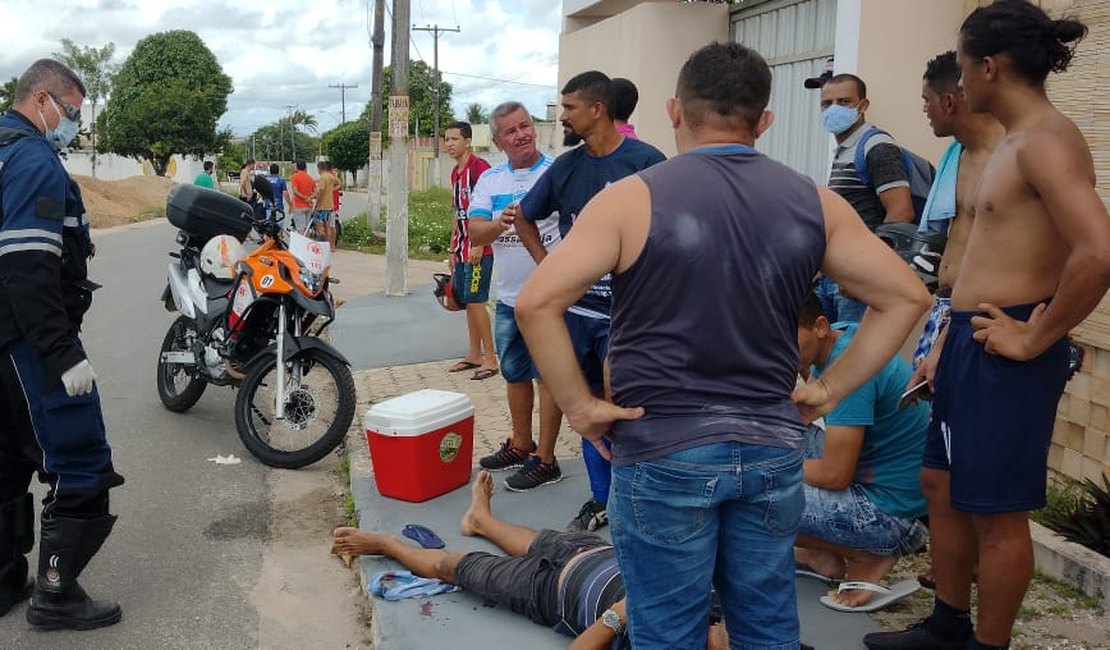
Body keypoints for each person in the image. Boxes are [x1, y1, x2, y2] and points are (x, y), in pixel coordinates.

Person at [512, 41, 930, 649]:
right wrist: (829, 390)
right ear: (763, 120)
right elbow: (907, 298)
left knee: (667, 629)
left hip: (661, 449)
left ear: (675, 110)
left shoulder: (632, 198)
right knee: (765, 624)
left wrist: (580, 407)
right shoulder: (814, 202)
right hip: (770, 451)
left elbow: (535, 303)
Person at [865, 3, 1110, 649]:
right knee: (941, 484)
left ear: (990, 67)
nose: (959, 83)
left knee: (998, 516)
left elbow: (1098, 252)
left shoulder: (1048, 142)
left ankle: (987, 646)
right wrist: (946, 337)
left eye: (966, 67)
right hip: (971, 336)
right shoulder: (1007, 145)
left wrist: (1035, 336)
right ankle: (948, 625)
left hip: (1013, 343)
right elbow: (977, 256)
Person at [505, 70, 666, 531]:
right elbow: (525, 219)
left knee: (629, 408)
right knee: (589, 409)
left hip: (631, 317)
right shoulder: (567, 167)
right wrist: (551, 267)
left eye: (570, 107)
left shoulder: (646, 162)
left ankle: (634, 499)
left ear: (597, 109)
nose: (564, 116)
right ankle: (602, 500)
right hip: (578, 316)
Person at [331, 471, 737, 650]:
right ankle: (482, 520)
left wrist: (619, 614)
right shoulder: (729, 615)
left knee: (455, 568)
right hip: (596, 553)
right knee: (538, 540)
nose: (729, 636)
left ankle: (388, 545)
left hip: (547, 590)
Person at [0, 58, 125, 630]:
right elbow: (26, 266)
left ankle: (5, 579)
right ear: (44, 98)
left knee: (5, 459)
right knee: (80, 459)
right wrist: (63, 353)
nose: (72, 122)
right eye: (72, 111)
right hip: (30, 340)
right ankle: (55, 594)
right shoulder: (32, 159)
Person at [793, 292, 929, 610]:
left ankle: (863, 554)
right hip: (892, 493)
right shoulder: (843, 338)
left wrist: (764, 466)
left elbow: (834, 474)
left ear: (821, 326)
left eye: (788, 340)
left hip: (893, 519)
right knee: (770, 439)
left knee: (752, 490)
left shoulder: (847, 369)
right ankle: (820, 551)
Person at [466, 102, 564, 491]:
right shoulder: (490, 181)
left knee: (549, 377)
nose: (521, 134)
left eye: (525, 126)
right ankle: (521, 445)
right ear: (497, 140)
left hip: (552, 300)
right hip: (509, 299)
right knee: (515, 374)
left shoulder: (556, 172)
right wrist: (500, 222)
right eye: (511, 131)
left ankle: (547, 459)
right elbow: (475, 233)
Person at [910, 51, 1003, 371]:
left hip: (980, 318)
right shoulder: (959, 154)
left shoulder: (1008, 158)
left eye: (926, 99)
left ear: (948, 102)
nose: (924, 109)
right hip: (947, 306)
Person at [813, 71, 915, 323]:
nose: (833, 109)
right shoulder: (845, 149)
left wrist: (867, 273)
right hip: (833, 277)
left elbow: (901, 212)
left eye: (844, 102)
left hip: (855, 281)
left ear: (863, 105)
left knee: (853, 353)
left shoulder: (876, 146)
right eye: (827, 104)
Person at [443, 121, 497, 381]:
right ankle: (474, 354)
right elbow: (458, 212)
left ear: (468, 141)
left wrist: (480, 243)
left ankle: (491, 357)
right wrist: (454, 247)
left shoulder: (480, 168)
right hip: (462, 247)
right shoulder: (455, 173)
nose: (449, 144)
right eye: (447, 139)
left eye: (454, 139)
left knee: (477, 299)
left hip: (479, 248)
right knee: (468, 301)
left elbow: (489, 209)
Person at [312, 159, 340, 249]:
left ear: (319, 168)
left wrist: (315, 202)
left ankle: (322, 247)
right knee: (328, 227)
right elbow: (339, 183)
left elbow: (320, 192)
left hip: (322, 207)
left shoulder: (323, 178)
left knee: (320, 228)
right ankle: (328, 245)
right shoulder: (331, 177)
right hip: (329, 206)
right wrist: (332, 190)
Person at [288, 159, 316, 234]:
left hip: (299, 206)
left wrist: (305, 198)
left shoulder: (295, 177)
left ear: (297, 166)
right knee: (307, 228)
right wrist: (310, 198)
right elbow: (316, 191)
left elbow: (295, 191)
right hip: (309, 206)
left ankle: (302, 244)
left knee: (300, 229)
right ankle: (307, 243)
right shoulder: (310, 178)